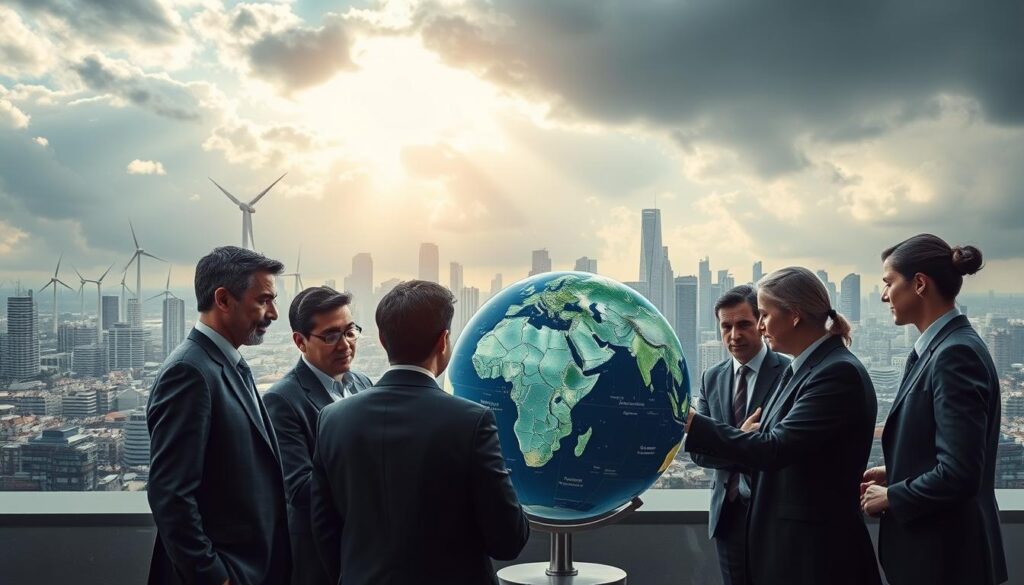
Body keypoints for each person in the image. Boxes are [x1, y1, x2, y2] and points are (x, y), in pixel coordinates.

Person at [310, 280, 529, 585]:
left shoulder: (332, 420)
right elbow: (508, 540)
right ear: (443, 340)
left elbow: (323, 529)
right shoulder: (470, 423)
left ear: (384, 341)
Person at [684, 267, 880, 585]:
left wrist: (695, 425)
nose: (761, 327)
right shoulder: (806, 369)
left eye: (763, 315)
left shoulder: (835, 373)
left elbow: (775, 448)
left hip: (816, 556)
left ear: (794, 316)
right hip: (792, 548)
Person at [862, 234, 1007, 585]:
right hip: (940, 556)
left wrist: (893, 496)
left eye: (889, 283)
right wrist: (896, 469)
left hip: (946, 560)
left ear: (920, 284)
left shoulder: (954, 355)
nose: (884, 296)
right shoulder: (943, 347)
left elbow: (960, 472)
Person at [147, 246, 290, 585]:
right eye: (264, 300)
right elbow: (170, 494)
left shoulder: (222, 363)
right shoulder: (189, 372)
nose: (274, 313)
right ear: (223, 300)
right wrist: (215, 577)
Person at [264, 286, 373, 585]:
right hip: (321, 559)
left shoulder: (364, 383)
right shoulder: (283, 400)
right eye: (331, 336)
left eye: (350, 332)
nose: (346, 344)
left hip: (368, 553)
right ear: (300, 341)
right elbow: (300, 490)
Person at [690, 285, 791, 585]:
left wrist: (728, 442)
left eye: (743, 324)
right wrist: (742, 438)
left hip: (773, 514)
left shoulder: (789, 373)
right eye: (726, 326)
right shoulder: (712, 377)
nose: (734, 335)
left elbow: (779, 451)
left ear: (761, 324)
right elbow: (697, 450)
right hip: (728, 515)